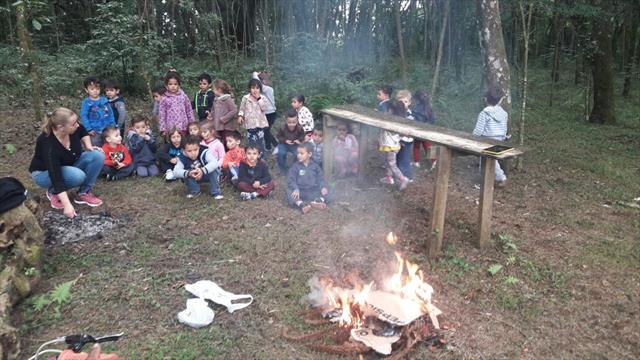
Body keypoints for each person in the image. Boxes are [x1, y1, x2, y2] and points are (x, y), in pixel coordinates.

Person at [29, 108, 105, 218]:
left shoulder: (73, 129)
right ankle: (53, 191)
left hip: (67, 165)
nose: (77, 125)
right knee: (78, 176)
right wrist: (67, 205)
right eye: (74, 124)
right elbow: (55, 175)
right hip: (44, 173)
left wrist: (89, 146)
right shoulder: (48, 144)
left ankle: (83, 193)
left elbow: (83, 131)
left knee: (97, 155)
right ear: (61, 128)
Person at [472, 85, 509, 186]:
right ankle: (498, 177)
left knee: (485, 158)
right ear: (500, 100)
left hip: (487, 142)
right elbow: (504, 129)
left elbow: (478, 131)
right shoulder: (504, 114)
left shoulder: (484, 113)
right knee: (492, 159)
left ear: (485, 99)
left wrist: (472, 139)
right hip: (500, 141)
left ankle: (489, 180)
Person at [174, 135, 223, 199]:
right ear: (184, 150)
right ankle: (195, 191)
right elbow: (175, 171)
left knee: (214, 168)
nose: (193, 153)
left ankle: (216, 192)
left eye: (195, 150)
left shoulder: (204, 151)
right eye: (189, 151)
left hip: (206, 174)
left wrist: (202, 170)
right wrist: (188, 173)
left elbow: (215, 163)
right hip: (193, 176)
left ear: (199, 147)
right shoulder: (181, 157)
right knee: (185, 173)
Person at [286, 142, 329, 214]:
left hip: (314, 191)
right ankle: (302, 204)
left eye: (301, 153)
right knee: (289, 191)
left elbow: (321, 178)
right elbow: (291, 179)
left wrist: (323, 187)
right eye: (298, 153)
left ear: (309, 154)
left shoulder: (315, 166)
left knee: (329, 189)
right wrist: (295, 188)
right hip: (300, 191)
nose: (298, 155)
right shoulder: (295, 167)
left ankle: (317, 202)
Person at [379, 100, 410, 190]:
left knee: (392, 164)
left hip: (391, 146)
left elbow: (403, 133)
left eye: (388, 109)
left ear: (393, 111)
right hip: (390, 144)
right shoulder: (394, 120)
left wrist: (398, 138)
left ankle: (403, 179)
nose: (387, 111)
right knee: (387, 162)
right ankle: (389, 178)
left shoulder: (393, 122)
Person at [80, 76, 115, 146]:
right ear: (86, 90)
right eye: (92, 89)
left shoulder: (104, 100)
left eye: (97, 88)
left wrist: (113, 124)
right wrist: (88, 128)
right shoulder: (86, 102)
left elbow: (110, 113)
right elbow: (84, 116)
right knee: (96, 145)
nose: (95, 91)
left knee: (108, 144)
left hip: (107, 128)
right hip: (94, 130)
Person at [237, 78, 268, 157]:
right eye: (253, 88)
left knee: (260, 142)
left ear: (260, 89)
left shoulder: (263, 98)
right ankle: (253, 157)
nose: (255, 90)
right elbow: (242, 108)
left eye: (257, 88)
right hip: (250, 124)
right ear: (249, 89)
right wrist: (240, 116)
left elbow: (264, 108)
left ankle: (261, 157)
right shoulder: (246, 98)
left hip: (260, 124)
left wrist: (258, 98)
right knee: (251, 142)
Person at [159, 71, 194, 136]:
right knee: (173, 143)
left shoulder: (183, 96)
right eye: (170, 84)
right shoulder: (164, 98)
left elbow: (189, 110)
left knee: (184, 143)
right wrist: (163, 129)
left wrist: (191, 123)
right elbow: (162, 114)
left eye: (175, 84)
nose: (173, 86)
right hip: (171, 128)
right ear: (166, 86)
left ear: (179, 85)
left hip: (184, 126)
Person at [411, 89, 437, 170]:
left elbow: (416, 118)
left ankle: (417, 161)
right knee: (428, 146)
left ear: (418, 99)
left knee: (417, 146)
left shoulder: (418, 107)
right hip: (427, 130)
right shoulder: (429, 106)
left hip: (419, 129)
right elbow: (434, 119)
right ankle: (434, 160)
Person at [208, 79, 237, 147]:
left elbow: (234, 110)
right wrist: (211, 115)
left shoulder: (227, 99)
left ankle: (229, 155)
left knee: (228, 143)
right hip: (218, 126)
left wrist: (224, 118)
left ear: (219, 90)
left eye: (214, 89)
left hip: (227, 127)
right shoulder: (216, 99)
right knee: (219, 142)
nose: (212, 90)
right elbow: (213, 110)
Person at [253, 71, 278, 151]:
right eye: (262, 80)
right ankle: (268, 147)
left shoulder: (268, 89)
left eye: (264, 80)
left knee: (265, 131)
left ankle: (276, 145)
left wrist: (255, 74)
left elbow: (259, 84)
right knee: (266, 131)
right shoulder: (263, 91)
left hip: (271, 114)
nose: (263, 82)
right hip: (265, 113)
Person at [276, 109, 305, 175]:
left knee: (297, 154)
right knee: (281, 153)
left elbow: (302, 136)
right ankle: (282, 168)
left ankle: (295, 167)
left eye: (294, 122)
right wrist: (285, 140)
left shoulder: (299, 128)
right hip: (284, 144)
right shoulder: (282, 128)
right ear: (286, 121)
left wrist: (299, 140)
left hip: (294, 144)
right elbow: (278, 136)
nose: (291, 124)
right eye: (289, 122)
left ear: (297, 121)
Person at [395, 90, 414, 181]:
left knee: (405, 159)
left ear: (409, 102)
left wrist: (402, 138)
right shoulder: (396, 112)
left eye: (405, 102)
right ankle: (400, 177)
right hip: (398, 139)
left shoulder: (409, 114)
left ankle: (408, 177)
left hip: (406, 140)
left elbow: (408, 129)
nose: (403, 104)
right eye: (401, 102)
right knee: (398, 158)